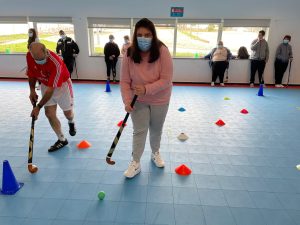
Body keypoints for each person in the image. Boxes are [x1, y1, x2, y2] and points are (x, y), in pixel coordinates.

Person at [120, 18, 173, 178]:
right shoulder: (129, 52)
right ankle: (135, 162)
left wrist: (146, 89)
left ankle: (155, 152)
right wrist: (127, 101)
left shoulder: (162, 50)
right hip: (139, 100)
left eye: (147, 35)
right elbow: (124, 81)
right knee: (139, 131)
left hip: (160, 98)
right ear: (135, 36)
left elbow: (166, 79)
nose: (143, 38)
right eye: (140, 35)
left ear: (153, 35)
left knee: (156, 129)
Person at [26, 42, 76, 152]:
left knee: (68, 113)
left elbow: (50, 90)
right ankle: (61, 139)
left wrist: (38, 107)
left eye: (41, 59)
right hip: (45, 83)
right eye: (36, 60)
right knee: (49, 113)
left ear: (46, 52)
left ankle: (71, 122)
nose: (39, 62)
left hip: (62, 86)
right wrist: (32, 90)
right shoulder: (30, 56)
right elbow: (31, 73)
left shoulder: (56, 63)